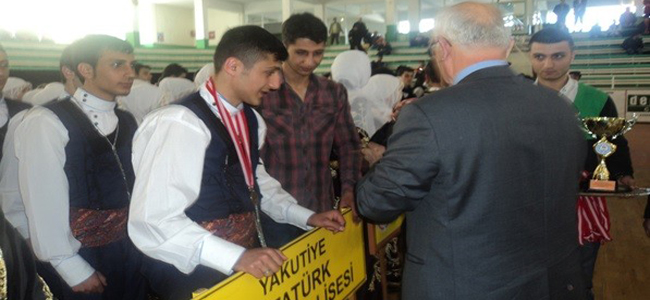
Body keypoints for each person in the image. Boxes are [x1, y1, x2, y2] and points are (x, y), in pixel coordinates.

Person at [356, 3, 587, 299]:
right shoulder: (558, 106)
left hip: (464, 286)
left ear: (442, 47)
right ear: (509, 46)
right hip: (551, 283)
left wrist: (382, 160)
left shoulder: (429, 115)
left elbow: (376, 203)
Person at [127, 25, 346, 300]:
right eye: (269, 72)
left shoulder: (252, 120)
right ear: (233, 66)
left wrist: (306, 216)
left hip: (237, 262)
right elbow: (154, 220)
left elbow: (256, 184)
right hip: (190, 270)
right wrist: (235, 257)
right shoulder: (181, 123)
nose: (277, 83)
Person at [14, 34, 147, 299]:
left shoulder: (127, 119)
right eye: (118, 65)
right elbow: (43, 199)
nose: (130, 73)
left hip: (131, 248)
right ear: (85, 70)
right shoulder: (47, 121)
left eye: (132, 65)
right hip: (83, 253)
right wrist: (69, 264)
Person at [529, 27, 635, 300]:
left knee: (579, 281)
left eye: (558, 55)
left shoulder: (598, 101)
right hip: (529, 208)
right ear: (530, 56)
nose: (548, 64)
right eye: (539, 56)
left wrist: (622, 173)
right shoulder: (515, 100)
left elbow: (614, 143)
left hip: (583, 207)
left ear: (573, 55)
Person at [257, 13, 361, 247]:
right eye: (301, 53)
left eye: (318, 53)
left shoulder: (333, 92)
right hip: (275, 214)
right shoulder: (263, 93)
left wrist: (348, 189)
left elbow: (349, 146)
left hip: (322, 208)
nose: (310, 62)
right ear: (285, 48)